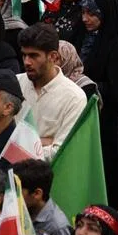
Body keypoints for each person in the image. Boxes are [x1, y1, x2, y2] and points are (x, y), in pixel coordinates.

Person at [16, 23, 87, 160]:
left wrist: (16, 146)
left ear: (53, 57)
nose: (27, 62)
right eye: (24, 55)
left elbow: (60, 152)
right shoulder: (16, 83)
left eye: (33, 56)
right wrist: (41, 142)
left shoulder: (74, 98)